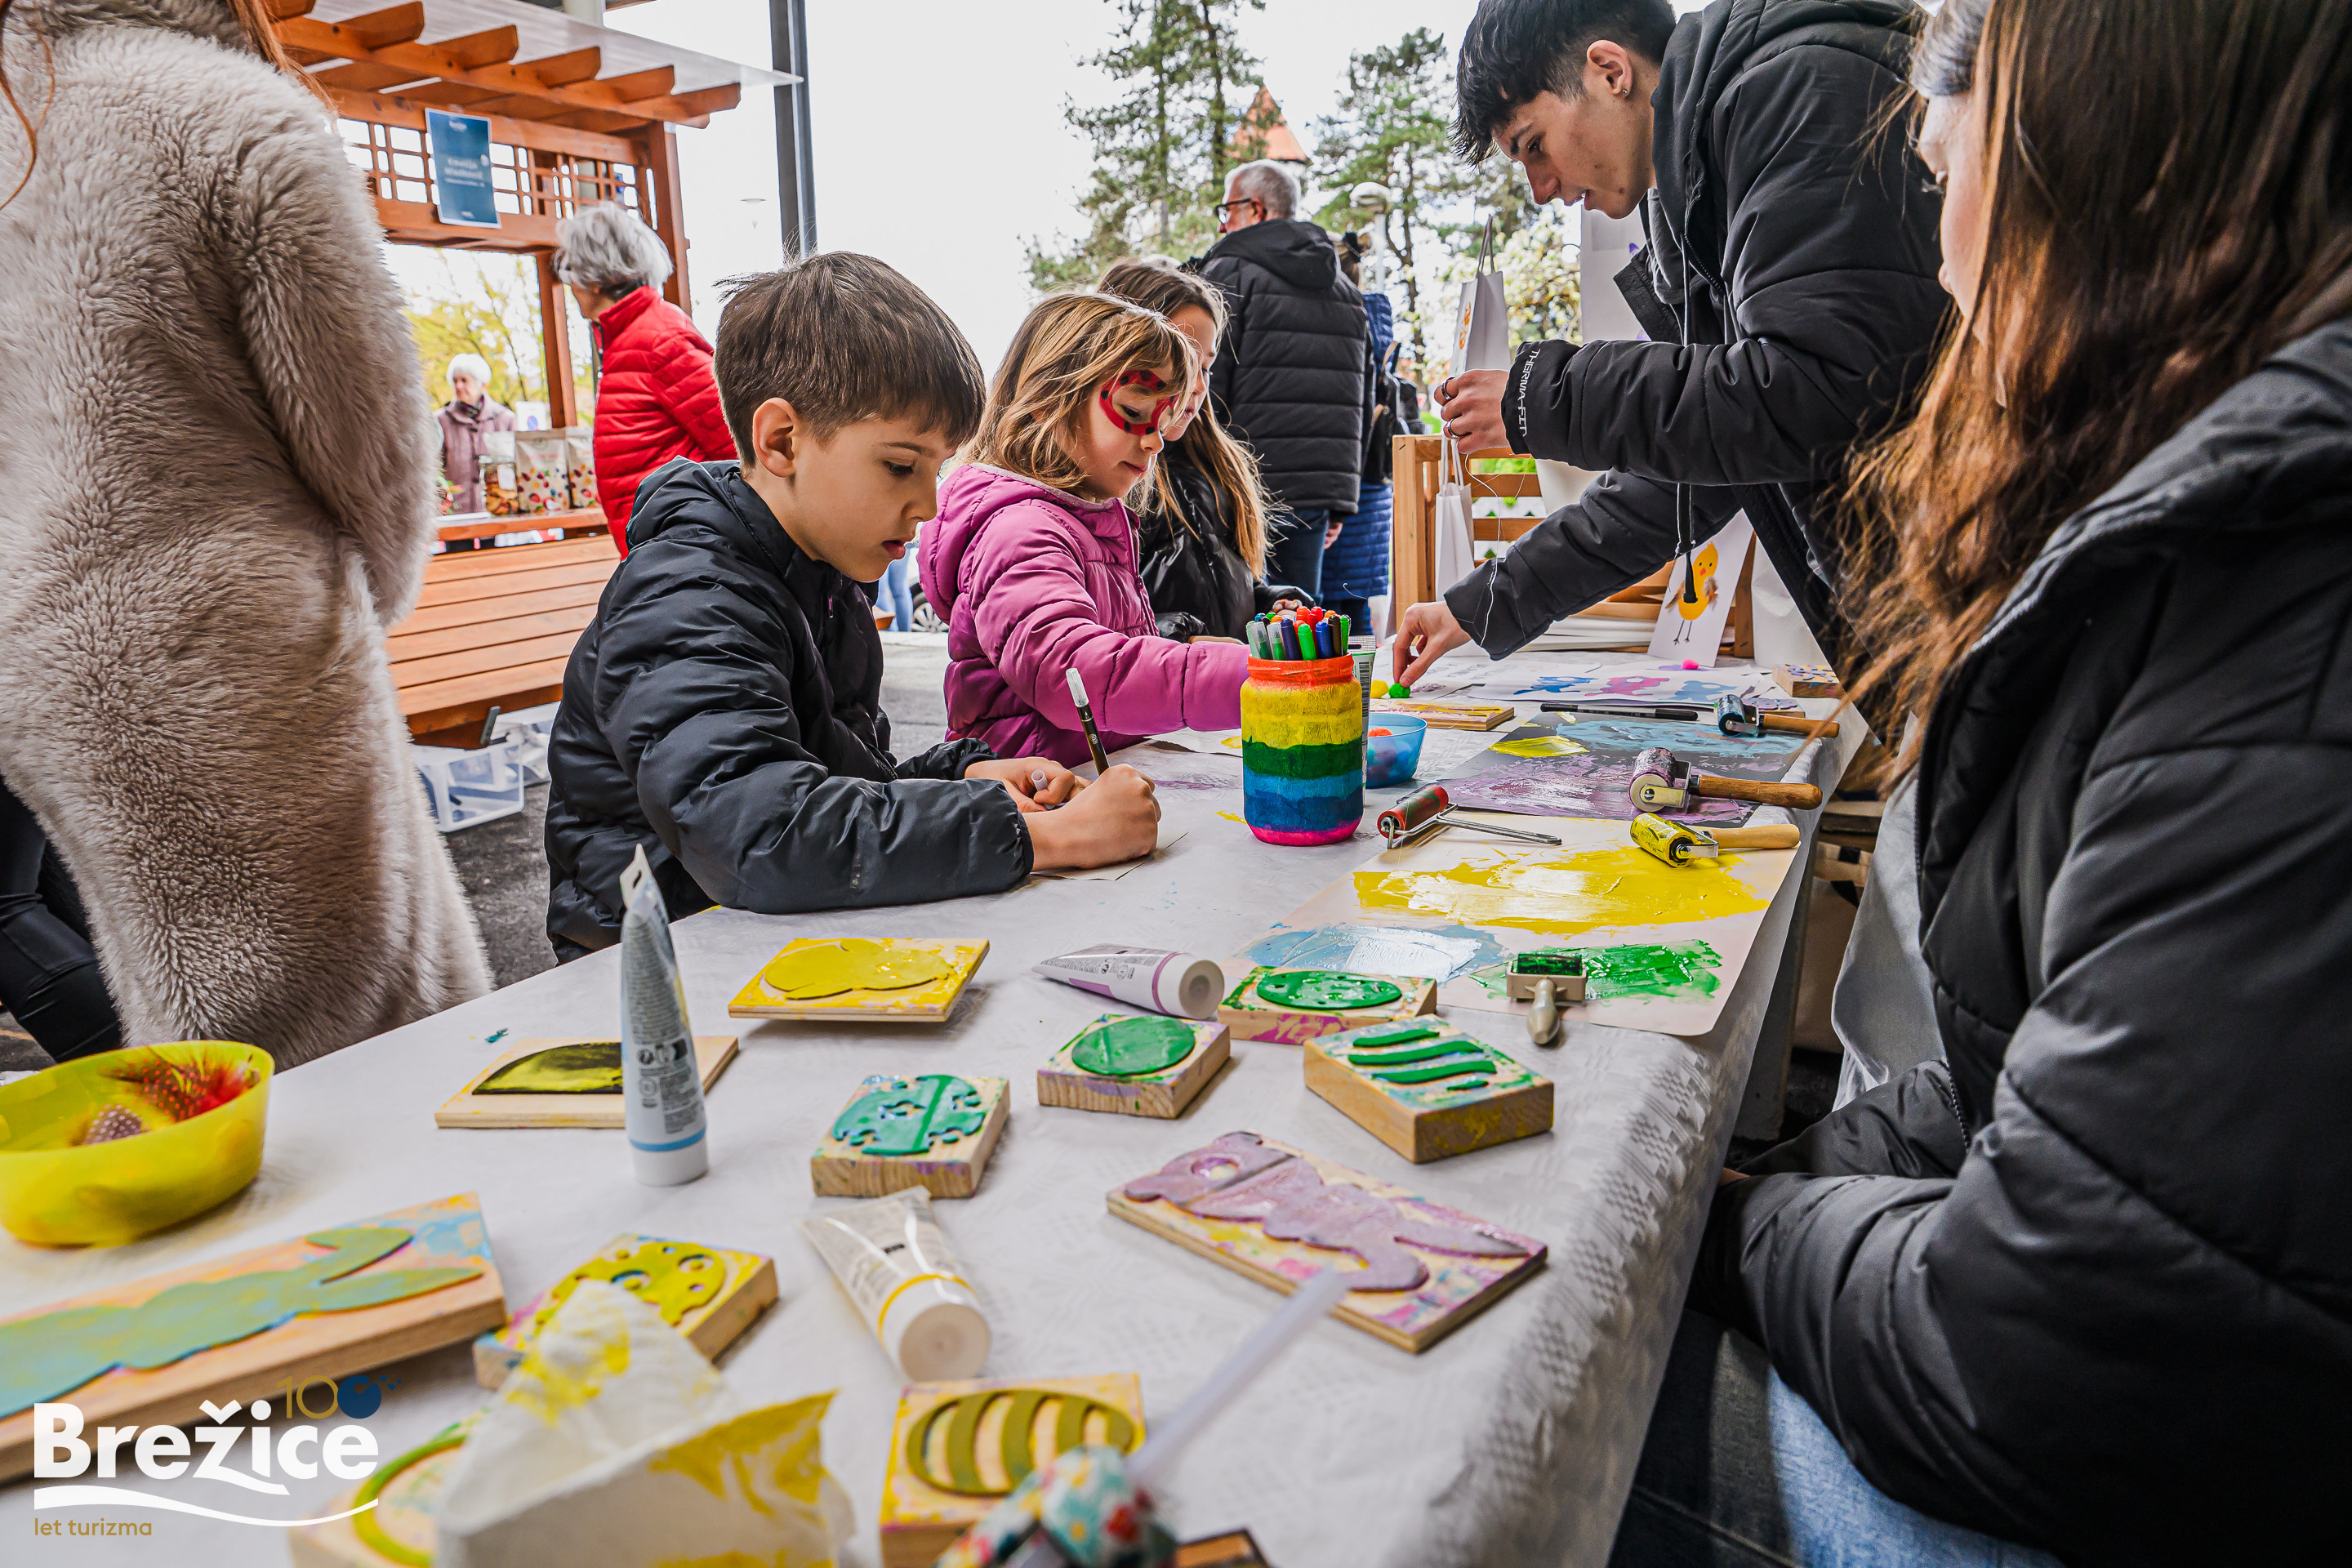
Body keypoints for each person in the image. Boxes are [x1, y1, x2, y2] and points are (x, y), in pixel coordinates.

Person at [1619, 2, 2352, 1564]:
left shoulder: (2276, 599)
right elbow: (2024, 1086)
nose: (1940, 268)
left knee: (1565, 1412)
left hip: (2108, 1463)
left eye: (1946, 169)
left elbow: (2034, 1364)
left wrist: (1740, 1232)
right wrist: (1772, 1186)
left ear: (2102, 177)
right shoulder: (2226, 546)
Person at [0, 0, 488, 1065]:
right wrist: (361, 603)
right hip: (237, 657)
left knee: (196, 1038)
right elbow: (372, 452)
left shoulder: (18, 122)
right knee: (357, 1057)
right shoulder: (227, 118)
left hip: (45, 673)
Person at [544, 255, 1159, 956]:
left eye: (936, 469)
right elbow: (762, 832)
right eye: (901, 465)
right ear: (782, 440)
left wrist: (962, 775)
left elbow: (828, 779)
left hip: (761, 943)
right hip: (657, 977)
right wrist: (1041, 835)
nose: (928, 505)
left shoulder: (819, 580)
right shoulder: (687, 595)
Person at [1391, 0, 1947, 686]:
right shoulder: (1690, 205)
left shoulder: (1792, 92)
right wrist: (1478, 606)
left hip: (2008, 596)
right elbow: (1692, 474)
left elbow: (1812, 392)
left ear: (1609, 71)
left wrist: (1546, 397)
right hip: (1940, 620)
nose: (1540, 191)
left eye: (1534, 145)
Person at [921, 293, 1249, 766]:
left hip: (1085, 785)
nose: (1155, 439)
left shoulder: (1088, 522)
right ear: (1047, 399)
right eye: (1135, 411)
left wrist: (1177, 649)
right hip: (1040, 806)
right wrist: (1248, 676)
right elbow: (1073, 673)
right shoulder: (1019, 529)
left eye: (1163, 417)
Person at [1094, 257, 1312, 641]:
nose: (1196, 385)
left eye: (1206, 366)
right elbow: (1093, 625)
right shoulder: (1106, 474)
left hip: (1218, 685)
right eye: (1180, 361)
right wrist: (1178, 637)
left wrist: (1270, 605)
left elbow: (1224, 581)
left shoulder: (1215, 463)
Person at [1195, 160, 1371, 601]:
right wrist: (1339, 501)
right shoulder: (1347, 293)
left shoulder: (1228, 275)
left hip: (1237, 489)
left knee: (1240, 632)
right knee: (1297, 626)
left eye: (1226, 210)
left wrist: (1193, 477)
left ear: (1255, 209)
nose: (1222, 224)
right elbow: (1359, 402)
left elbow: (1204, 386)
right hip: (1313, 499)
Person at [552, 203, 735, 551]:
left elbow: (735, 440)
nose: (570, 285)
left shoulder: (658, 339)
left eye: (572, 271)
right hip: (667, 547)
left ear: (593, 277)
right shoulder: (631, 337)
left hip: (688, 548)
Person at [1321, 235, 1401, 635]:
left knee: (1322, 619)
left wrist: (1338, 506)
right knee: (1355, 615)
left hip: (1342, 487)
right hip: (1373, 487)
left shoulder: (1340, 328)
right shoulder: (1378, 324)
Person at [434, 352, 516, 514]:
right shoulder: (440, 420)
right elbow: (433, 467)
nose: (458, 386)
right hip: (455, 511)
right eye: (455, 381)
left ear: (482, 384)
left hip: (497, 510)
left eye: (464, 380)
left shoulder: (506, 419)